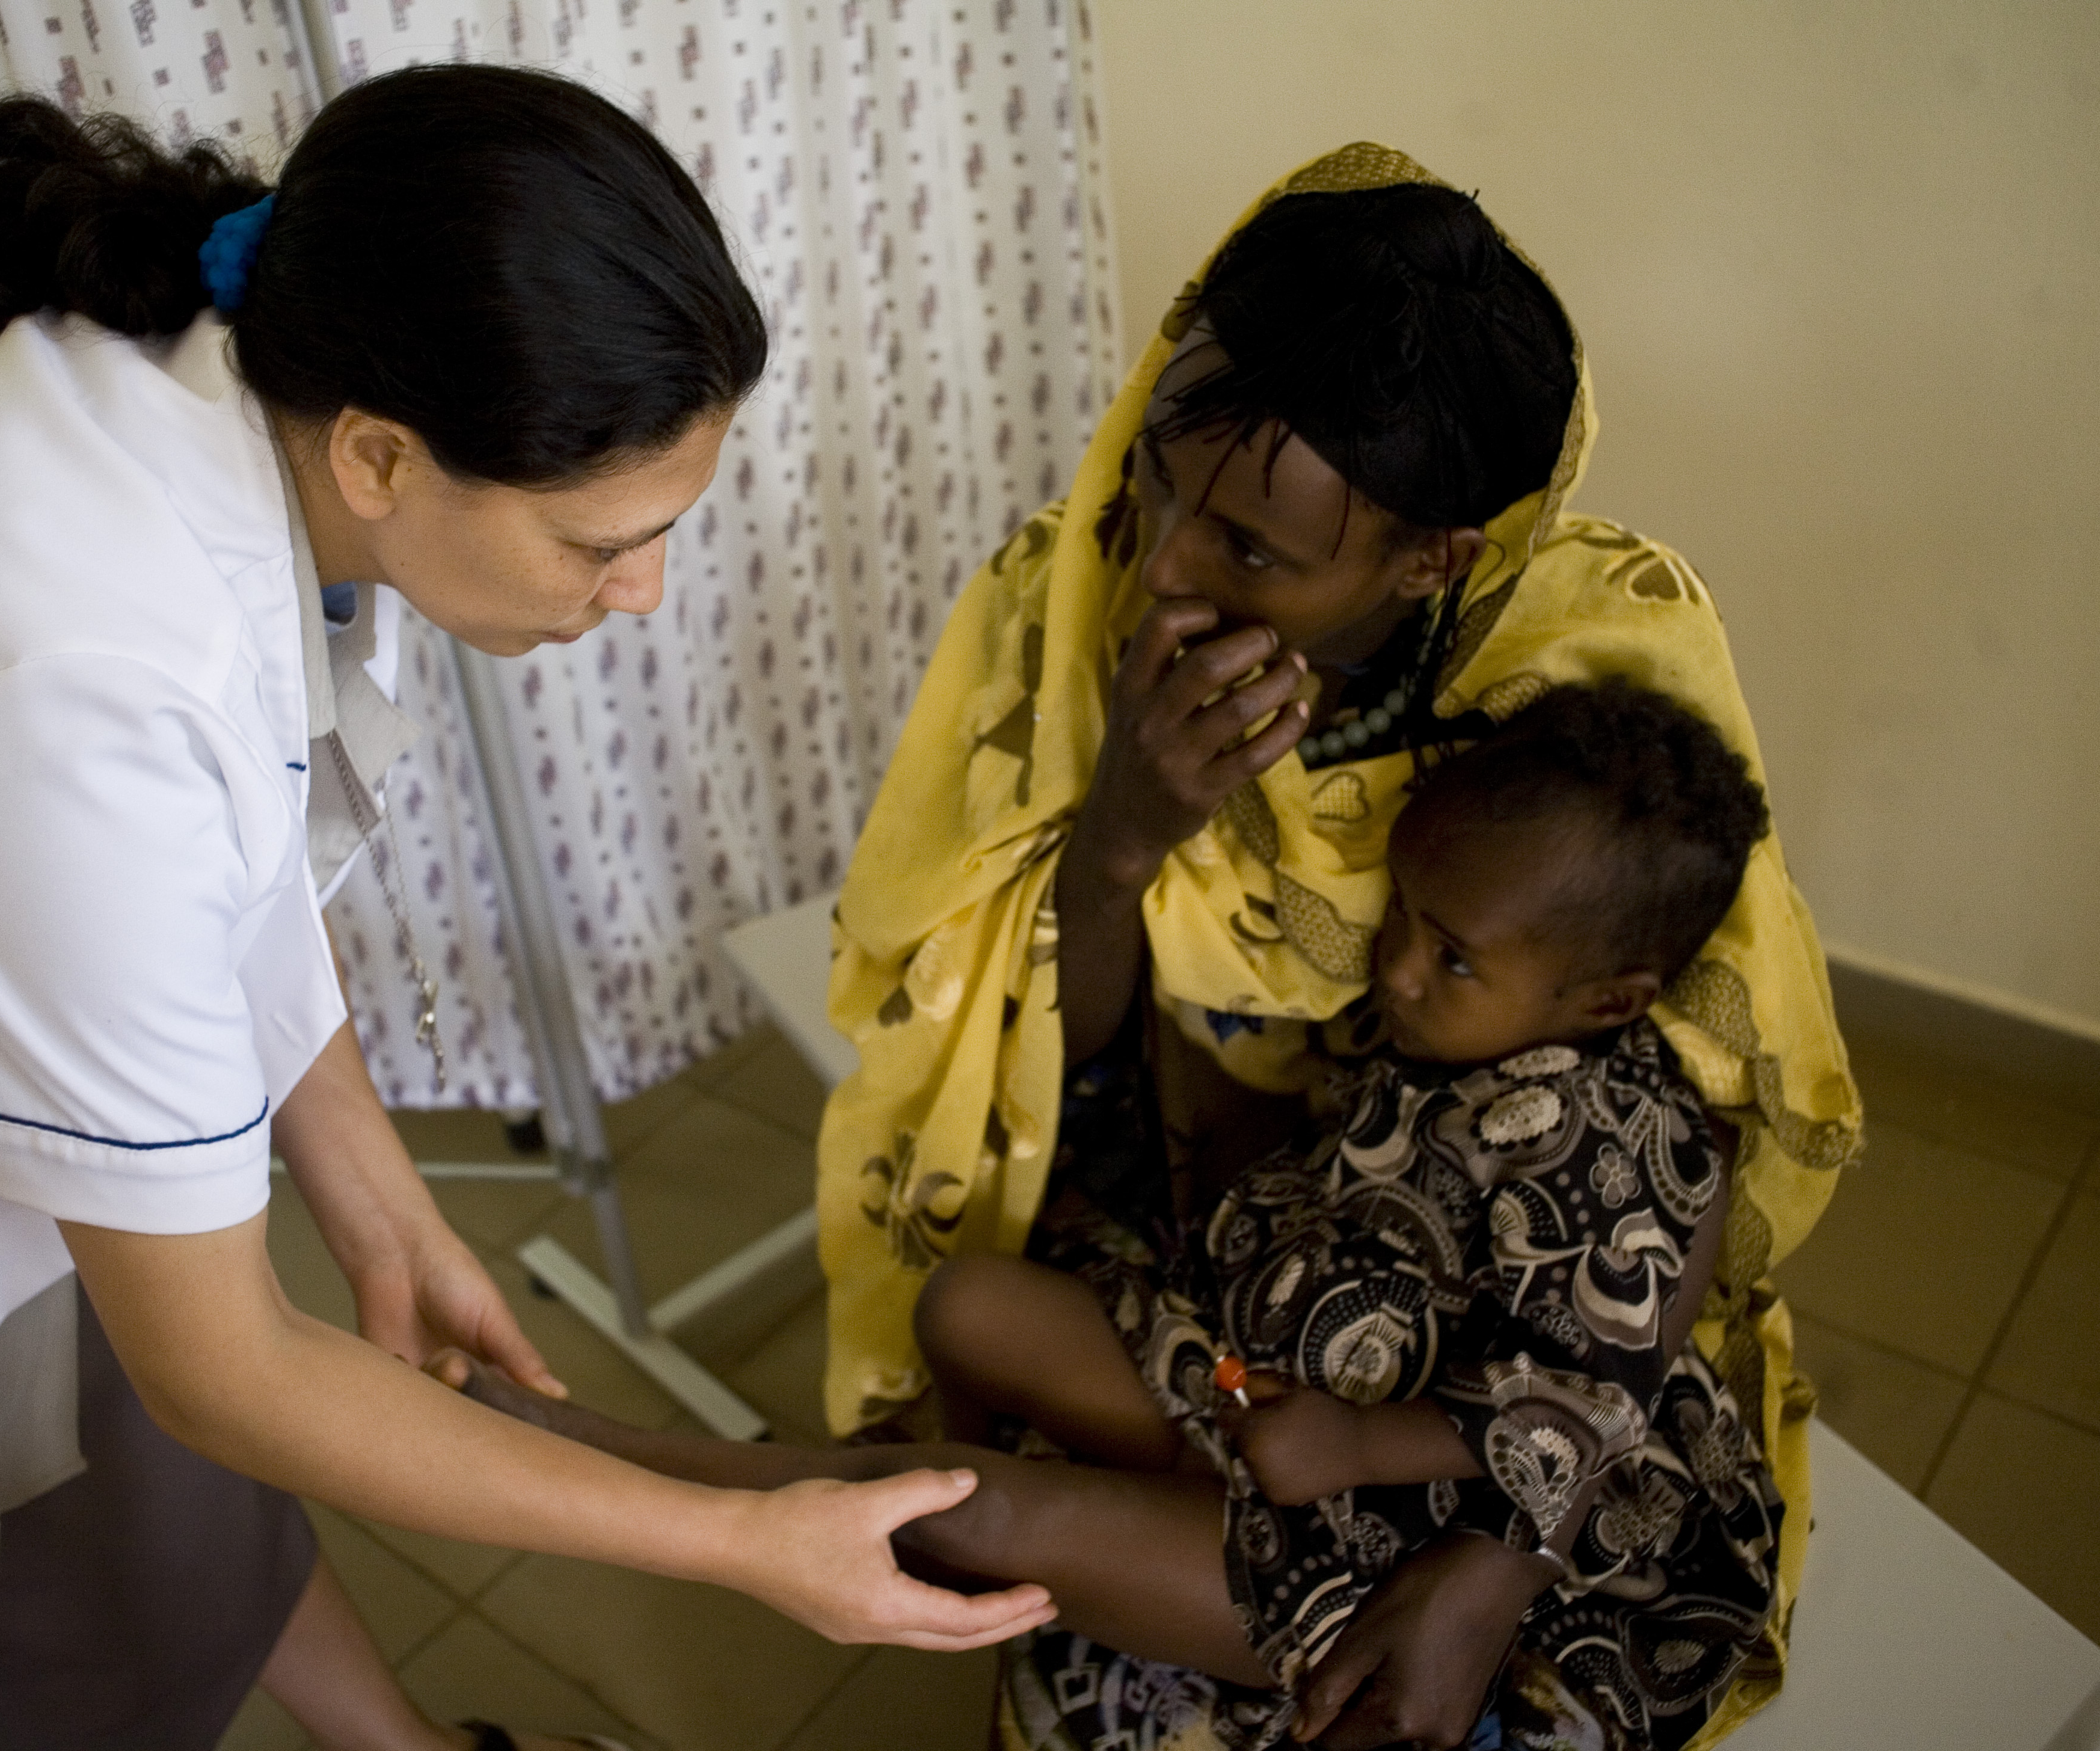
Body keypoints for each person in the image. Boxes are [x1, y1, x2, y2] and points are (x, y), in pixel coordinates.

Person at [0, 70, 1049, 1751]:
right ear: (379, 454)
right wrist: (744, 1544)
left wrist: (375, 1198)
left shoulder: (226, 400)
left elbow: (225, 882)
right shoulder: (70, 677)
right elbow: (224, 1370)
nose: (644, 592)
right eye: (602, 541)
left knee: (150, 1460)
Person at [812, 143, 1863, 1747]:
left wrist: (1497, 1563)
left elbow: (1674, 1157)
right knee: (989, 1378)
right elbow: (1036, 1057)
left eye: (1251, 549)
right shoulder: (1065, 600)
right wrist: (1121, 838)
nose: (1164, 561)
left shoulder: (1600, 675)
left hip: (1494, 1352)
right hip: (1228, 1255)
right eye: (1164, 478)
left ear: (1432, 559)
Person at [432, 677, 1786, 1750]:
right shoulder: (1470, 1028)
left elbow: (1583, 1393)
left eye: (1452, 955)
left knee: (972, 1511)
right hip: (1263, 1396)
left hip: (1396, 1531)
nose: (1400, 968)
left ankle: (600, 1459)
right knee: (967, 1304)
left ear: (1611, 999)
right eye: (1408, 918)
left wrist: (1356, 1442)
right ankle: (957, 1552)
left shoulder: (1621, 1140)